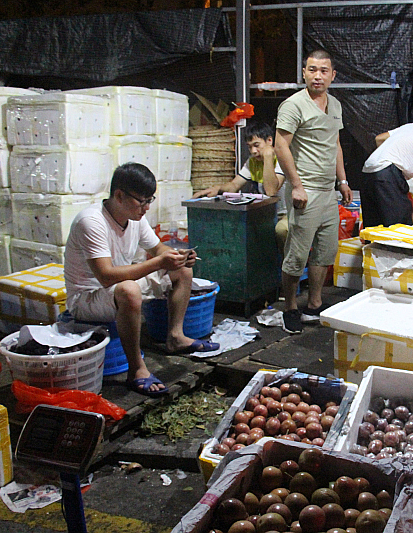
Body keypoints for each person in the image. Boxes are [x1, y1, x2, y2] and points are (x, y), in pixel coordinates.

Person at [64, 163, 220, 397]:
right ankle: (137, 369)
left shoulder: (135, 217)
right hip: (87, 298)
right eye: (142, 201)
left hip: (118, 286)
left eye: (150, 200)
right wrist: (159, 263)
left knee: (182, 272)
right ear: (119, 195)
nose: (147, 207)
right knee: (128, 290)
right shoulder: (91, 222)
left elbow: (158, 248)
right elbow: (106, 276)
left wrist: (179, 257)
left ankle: (176, 337)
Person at [274, 49, 353, 334]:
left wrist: (343, 181)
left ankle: (314, 303)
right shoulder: (293, 105)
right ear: (304, 73)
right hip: (304, 190)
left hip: (328, 190)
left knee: (325, 250)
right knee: (297, 254)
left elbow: (336, 145)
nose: (317, 76)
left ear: (332, 75)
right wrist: (296, 185)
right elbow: (281, 146)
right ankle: (291, 307)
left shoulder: (335, 105)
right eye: (312, 70)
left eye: (323, 71)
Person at [192, 121, 289, 251]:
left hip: (287, 215)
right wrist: (218, 189)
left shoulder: (281, 159)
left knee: (281, 230)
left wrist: (268, 158)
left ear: (269, 140)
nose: (253, 151)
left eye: (256, 145)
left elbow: (270, 191)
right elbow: (234, 185)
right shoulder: (252, 162)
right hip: (267, 215)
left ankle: (284, 268)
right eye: (249, 147)